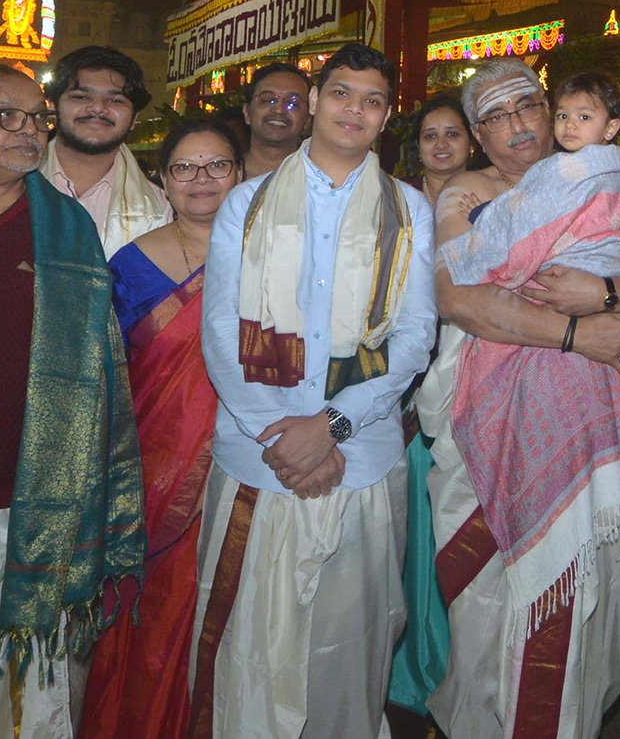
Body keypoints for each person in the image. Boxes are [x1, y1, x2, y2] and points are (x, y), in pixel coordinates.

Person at [429, 60, 620, 739]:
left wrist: (604, 294)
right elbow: (460, 297)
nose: (517, 124)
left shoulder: (610, 179)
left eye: (528, 107)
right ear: (479, 136)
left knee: (602, 604)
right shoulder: (466, 197)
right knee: (501, 606)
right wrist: (578, 334)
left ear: (553, 113)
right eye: (497, 116)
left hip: (603, 426)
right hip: (498, 425)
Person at [192, 43, 436, 739]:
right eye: (340, 93)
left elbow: (413, 337)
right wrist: (284, 432)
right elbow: (221, 328)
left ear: (386, 117)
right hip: (258, 461)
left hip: (358, 462)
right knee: (249, 646)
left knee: (346, 646)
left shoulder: (407, 209)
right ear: (314, 103)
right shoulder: (249, 201)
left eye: (371, 100)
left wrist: (329, 424)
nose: (353, 110)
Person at [0, 65, 144, 737]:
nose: (29, 129)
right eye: (6, 116)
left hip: (13, 510)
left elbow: (93, 375)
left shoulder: (65, 229)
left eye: (36, 117)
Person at [80, 120, 243, 739]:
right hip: (151, 466)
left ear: (240, 175)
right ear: (163, 180)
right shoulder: (129, 262)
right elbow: (104, 379)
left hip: (246, 464)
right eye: (184, 168)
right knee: (155, 606)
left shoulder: (269, 257)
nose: (201, 180)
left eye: (217, 166)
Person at [387, 94, 474, 718]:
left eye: (452, 134)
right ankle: (413, 670)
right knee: (414, 532)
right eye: (428, 137)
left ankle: (464, 669)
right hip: (406, 393)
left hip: (480, 383)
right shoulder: (397, 205)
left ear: (471, 142)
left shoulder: (496, 204)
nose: (440, 146)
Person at [43, 45, 172, 257]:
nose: (98, 108)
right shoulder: (11, 184)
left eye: (115, 100)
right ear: (53, 107)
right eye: (81, 97)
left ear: (134, 119)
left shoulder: (161, 206)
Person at [240, 62, 313, 180]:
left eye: (292, 103)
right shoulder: (221, 176)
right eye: (268, 99)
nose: (279, 110)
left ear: (308, 120)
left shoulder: (320, 180)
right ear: (247, 112)